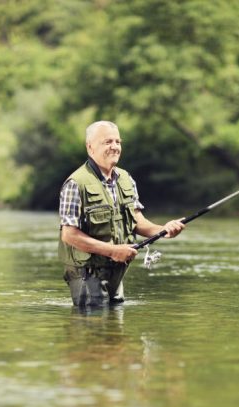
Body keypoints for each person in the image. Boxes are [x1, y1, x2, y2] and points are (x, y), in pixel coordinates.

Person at [58, 121, 185, 307]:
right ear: (90, 146)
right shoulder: (75, 183)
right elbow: (69, 235)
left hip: (116, 271)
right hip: (87, 274)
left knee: (115, 331)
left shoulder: (126, 179)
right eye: (108, 141)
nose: (115, 147)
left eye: (118, 142)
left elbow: (137, 221)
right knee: (93, 330)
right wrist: (113, 251)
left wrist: (164, 229)